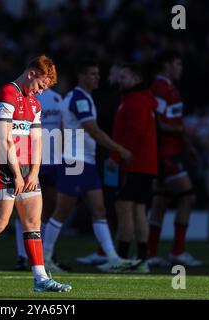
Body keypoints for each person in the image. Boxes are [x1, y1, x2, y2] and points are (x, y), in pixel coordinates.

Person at [0, 55, 71, 292]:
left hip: (26, 169)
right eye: (41, 85)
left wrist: (33, 172)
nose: (41, 92)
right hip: (1, 168)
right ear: (31, 74)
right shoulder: (5, 96)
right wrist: (17, 174)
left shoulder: (34, 104)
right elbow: (4, 139)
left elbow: (38, 141)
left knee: (33, 222)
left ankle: (41, 279)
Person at [42, 59, 139, 273]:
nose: (97, 77)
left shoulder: (83, 98)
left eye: (97, 73)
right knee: (61, 212)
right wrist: (120, 149)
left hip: (86, 161)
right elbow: (93, 130)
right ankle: (44, 259)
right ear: (82, 76)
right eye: (92, 74)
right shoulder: (78, 98)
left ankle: (112, 258)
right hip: (74, 161)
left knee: (99, 210)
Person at [147, 51, 202, 267]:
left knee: (161, 201)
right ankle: (177, 251)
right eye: (178, 64)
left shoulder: (170, 88)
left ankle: (150, 254)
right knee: (187, 196)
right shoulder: (160, 88)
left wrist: (186, 144)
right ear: (166, 66)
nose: (181, 68)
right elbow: (157, 122)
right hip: (165, 153)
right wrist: (183, 130)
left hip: (173, 150)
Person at [110, 63, 158, 273]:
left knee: (125, 209)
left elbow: (134, 134)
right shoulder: (143, 100)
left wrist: (120, 155)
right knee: (139, 210)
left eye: (124, 76)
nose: (120, 80)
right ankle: (141, 260)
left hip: (132, 164)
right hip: (145, 164)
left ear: (136, 78)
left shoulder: (135, 101)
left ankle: (122, 258)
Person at [76, 63, 123, 266]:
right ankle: (106, 252)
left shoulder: (107, 99)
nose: (104, 77)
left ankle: (109, 253)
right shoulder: (94, 98)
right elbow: (95, 130)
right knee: (106, 204)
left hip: (104, 158)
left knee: (108, 206)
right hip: (98, 157)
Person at [13, 88, 64, 271]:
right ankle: (22, 255)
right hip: (30, 158)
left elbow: (62, 128)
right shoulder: (28, 97)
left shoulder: (58, 98)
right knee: (23, 207)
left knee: (49, 207)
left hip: (53, 160)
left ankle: (44, 253)